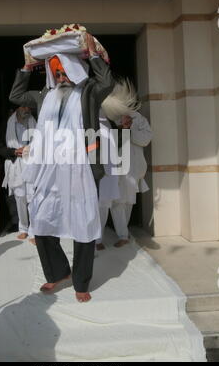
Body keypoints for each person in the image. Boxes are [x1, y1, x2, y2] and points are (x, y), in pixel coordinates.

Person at [9, 32, 116, 303]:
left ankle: (81, 282)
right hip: (49, 170)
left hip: (81, 167)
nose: (61, 79)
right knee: (42, 220)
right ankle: (58, 272)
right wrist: (26, 68)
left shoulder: (89, 91)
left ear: (72, 69)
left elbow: (107, 81)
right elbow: (16, 94)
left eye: (64, 73)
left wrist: (92, 54)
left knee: (83, 223)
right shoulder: (45, 95)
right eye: (56, 75)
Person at [97, 109, 152, 249]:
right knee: (105, 202)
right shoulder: (111, 116)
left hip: (131, 167)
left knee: (124, 202)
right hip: (112, 165)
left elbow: (145, 139)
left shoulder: (139, 119)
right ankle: (98, 239)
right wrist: (121, 128)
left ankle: (123, 235)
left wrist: (130, 128)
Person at [0, 105, 37, 243]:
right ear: (17, 108)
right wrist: (14, 152)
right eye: (24, 106)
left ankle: (33, 231)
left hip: (31, 163)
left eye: (29, 107)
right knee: (20, 198)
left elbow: (42, 142)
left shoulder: (34, 122)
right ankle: (23, 228)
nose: (27, 109)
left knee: (33, 198)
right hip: (16, 165)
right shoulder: (7, 124)